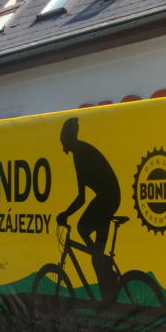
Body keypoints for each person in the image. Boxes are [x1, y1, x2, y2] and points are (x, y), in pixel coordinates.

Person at [56, 117, 121, 300]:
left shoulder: (81, 154)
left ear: (68, 138)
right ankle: (108, 295)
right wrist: (67, 213)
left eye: (63, 139)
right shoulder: (80, 151)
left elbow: (81, 198)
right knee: (96, 255)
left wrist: (65, 214)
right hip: (109, 197)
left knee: (82, 228)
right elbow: (82, 197)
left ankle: (105, 265)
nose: (62, 144)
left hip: (107, 198)